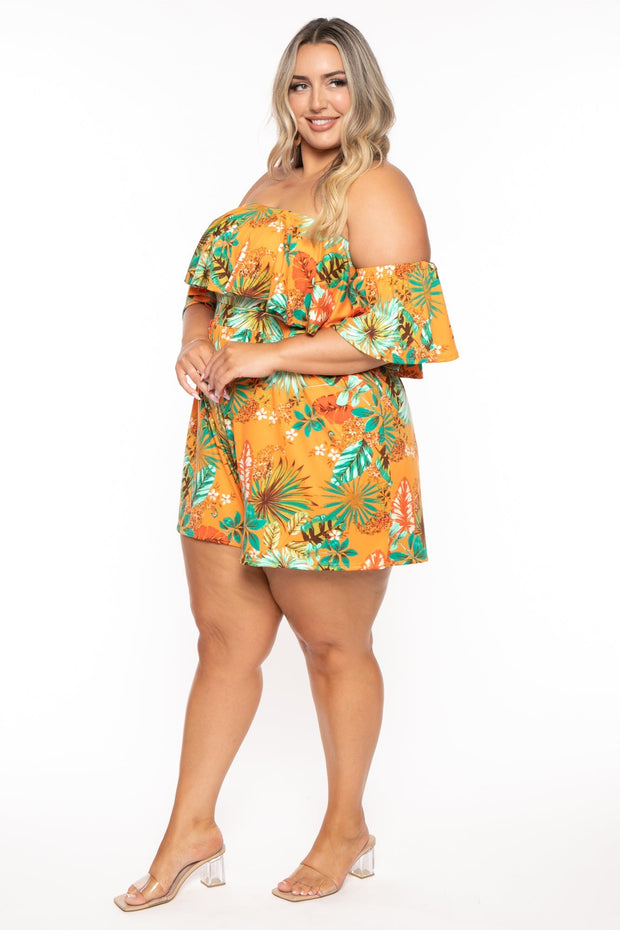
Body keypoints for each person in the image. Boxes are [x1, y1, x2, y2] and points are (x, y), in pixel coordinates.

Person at [114, 16, 458, 912]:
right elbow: (206, 293)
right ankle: (191, 831)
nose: (318, 101)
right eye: (302, 83)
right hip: (226, 445)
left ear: (363, 91)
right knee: (223, 643)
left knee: (334, 647)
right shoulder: (264, 185)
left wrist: (266, 355)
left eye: (335, 82)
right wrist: (196, 340)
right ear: (285, 94)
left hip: (328, 457)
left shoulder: (375, 188)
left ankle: (347, 828)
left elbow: (401, 329)